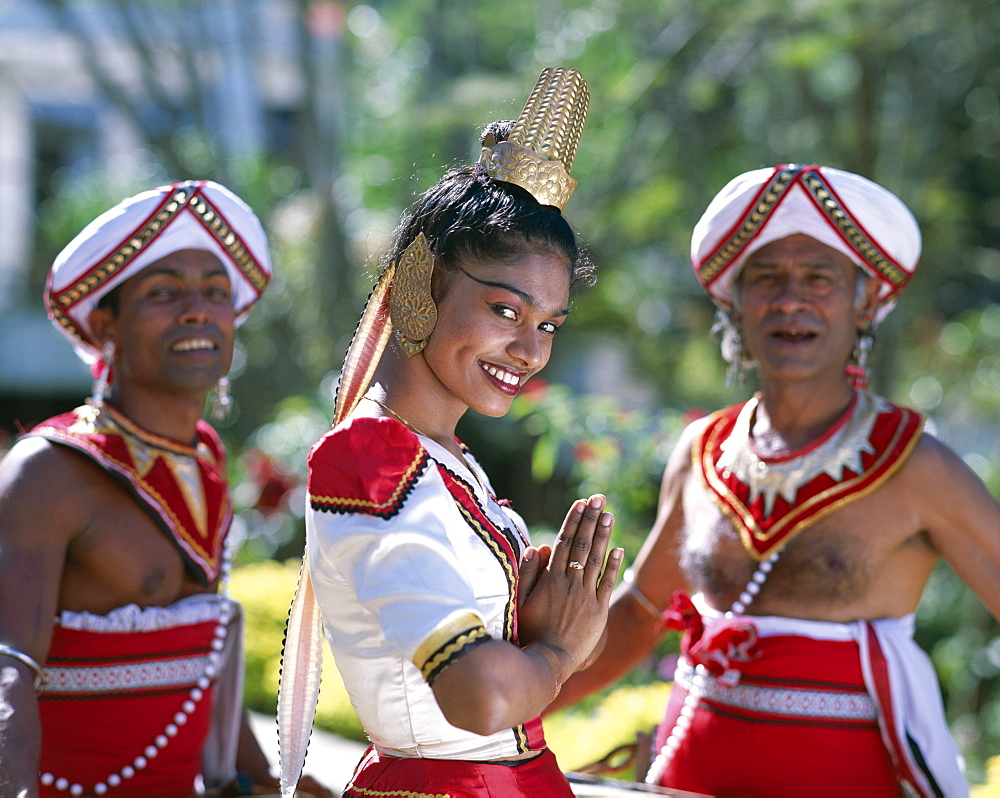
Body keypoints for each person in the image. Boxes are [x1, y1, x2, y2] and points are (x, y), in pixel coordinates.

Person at [552, 164, 1000, 797]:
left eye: (820, 278)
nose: (791, 299)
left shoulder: (918, 467)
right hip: (685, 780)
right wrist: (496, 720)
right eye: (766, 277)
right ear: (735, 302)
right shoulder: (701, 452)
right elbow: (638, 617)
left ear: (864, 302)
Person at [277, 67, 623, 798]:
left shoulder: (445, 460)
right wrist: (559, 651)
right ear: (417, 282)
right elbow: (481, 700)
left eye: (548, 325)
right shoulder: (369, 458)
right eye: (505, 311)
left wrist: (530, 633)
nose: (530, 351)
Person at [0, 181, 331, 798]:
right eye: (163, 293)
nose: (197, 310)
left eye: (214, 292)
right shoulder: (47, 471)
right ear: (105, 326)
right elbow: (7, 666)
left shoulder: (203, 459)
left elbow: (204, 657)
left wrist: (258, 779)